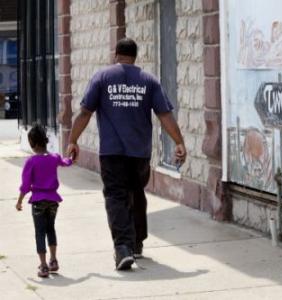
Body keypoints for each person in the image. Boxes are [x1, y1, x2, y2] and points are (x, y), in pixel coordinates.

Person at [67, 38, 187, 271]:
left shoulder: (102, 78)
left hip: (112, 152)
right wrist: (179, 141)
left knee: (115, 196)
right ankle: (137, 242)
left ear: (116, 54)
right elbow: (165, 115)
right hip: (140, 152)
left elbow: (84, 113)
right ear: (135, 56)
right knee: (136, 192)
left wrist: (72, 140)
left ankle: (122, 247)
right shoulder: (148, 81)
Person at [16, 124, 73, 278]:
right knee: (51, 229)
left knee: (40, 232)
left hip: (38, 202)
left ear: (33, 143)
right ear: (45, 141)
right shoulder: (54, 158)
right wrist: (72, 157)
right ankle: (53, 261)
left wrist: (20, 201)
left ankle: (43, 266)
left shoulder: (31, 161)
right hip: (53, 201)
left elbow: (26, 185)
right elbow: (66, 162)